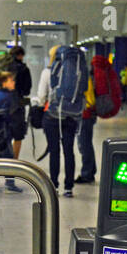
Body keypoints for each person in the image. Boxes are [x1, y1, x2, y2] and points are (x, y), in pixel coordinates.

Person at [34, 44, 79, 197]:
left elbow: (41, 97)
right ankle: (69, 188)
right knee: (69, 151)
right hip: (71, 116)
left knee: (54, 151)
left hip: (52, 116)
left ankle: (54, 185)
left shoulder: (47, 72)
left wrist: (39, 104)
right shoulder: (76, 72)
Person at [0, 70, 23, 193]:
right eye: (11, 80)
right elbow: (14, 116)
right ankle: (10, 185)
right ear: (4, 83)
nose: (14, 83)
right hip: (6, 132)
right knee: (9, 158)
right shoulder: (11, 97)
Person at [6, 45, 32, 159]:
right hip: (17, 104)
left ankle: (2, 158)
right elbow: (27, 90)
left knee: (3, 132)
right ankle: (14, 160)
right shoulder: (24, 69)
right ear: (20, 55)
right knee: (17, 135)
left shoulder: (4, 68)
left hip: (2, 102)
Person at [75, 71, 96, 184]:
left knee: (83, 145)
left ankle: (87, 174)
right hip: (88, 113)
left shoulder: (80, 75)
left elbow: (88, 98)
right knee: (87, 143)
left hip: (84, 113)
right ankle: (91, 170)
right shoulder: (85, 74)